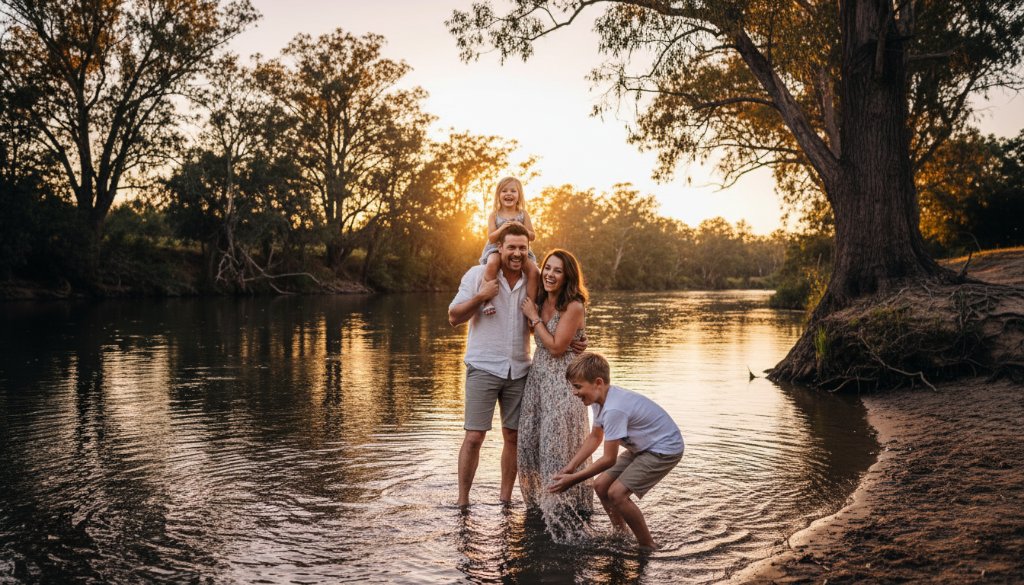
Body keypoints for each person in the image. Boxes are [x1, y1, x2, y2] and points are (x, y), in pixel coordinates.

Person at [548, 352, 684, 551]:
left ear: (598, 382)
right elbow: (595, 437)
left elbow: (608, 459)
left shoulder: (614, 410)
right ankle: (621, 534)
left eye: (578, 386)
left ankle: (648, 545)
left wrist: (574, 479)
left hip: (663, 449)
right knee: (601, 486)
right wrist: (570, 467)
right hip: (642, 447)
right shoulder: (599, 401)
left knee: (617, 493)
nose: (574, 393)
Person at [447, 222, 535, 507]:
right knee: (474, 436)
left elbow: (545, 320)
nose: (517, 253)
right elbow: (453, 316)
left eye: (522, 248)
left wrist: (576, 341)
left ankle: (505, 500)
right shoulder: (476, 275)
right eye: (511, 247)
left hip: (520, 369)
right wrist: (481, 296)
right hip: (483, 366)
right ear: (500, 248)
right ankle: (462, 501)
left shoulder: (532, 281)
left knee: (513, 436)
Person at [517, 249, 593, 540]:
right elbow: (527, 261)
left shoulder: (572, 306)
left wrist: (534, 318)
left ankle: (564, 512)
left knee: (556, 448)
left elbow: (558, 347)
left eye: (557, 270)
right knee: (530, 444)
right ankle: (538, 510)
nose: (550, 274)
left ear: (568, 276)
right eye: (547, 268)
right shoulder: (540, 297)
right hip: (538, 382)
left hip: (562, 386)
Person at [478, 177, 539, 316]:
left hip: (520, 250)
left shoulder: (523, 214)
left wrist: (520, 226)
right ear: (498, 196)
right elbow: (492, 237)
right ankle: (487, 299)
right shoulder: (494, 215)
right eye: (504, 191)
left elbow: (532, 236)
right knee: (492, 262)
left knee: (534, 271)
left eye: (513, 191)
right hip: (495, 248)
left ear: (519, 196)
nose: (509, 194)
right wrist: (502, 228)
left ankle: (531, 303)